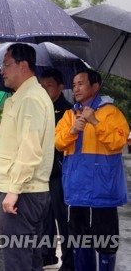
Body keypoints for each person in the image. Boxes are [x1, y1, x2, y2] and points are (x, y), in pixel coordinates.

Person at [0, 43, 55, 270]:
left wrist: (13, 192)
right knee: (30, 260)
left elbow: (30, 150)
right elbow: (18, 140)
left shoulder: (30, 98)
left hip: (22, 193)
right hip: (26, 191)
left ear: (23, 66)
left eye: (5, 64)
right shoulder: (22, 97)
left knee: (17, 262)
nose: (1, 70)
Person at [55, 68, 129, 271]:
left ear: (95, 86)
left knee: (105, 244)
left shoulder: (111, 113)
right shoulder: (70, 115)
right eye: (74, 84)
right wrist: (72, 131)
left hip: (102, 191)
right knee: (80, 242)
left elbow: (117, 142)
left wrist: (95, 122)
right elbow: (58, 142)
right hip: (76, 192)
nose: (76, 88)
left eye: (81, 84)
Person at [40, 69, 74, 270]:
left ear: (61, 87)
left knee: (63, 220)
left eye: (49, 85)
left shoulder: (68, 111)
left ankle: (69, 262)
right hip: (42, 172)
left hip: (61, 172)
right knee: (45, 218)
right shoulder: (40, 108)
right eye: (42, 86)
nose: (45, 90)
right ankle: (47, 255)